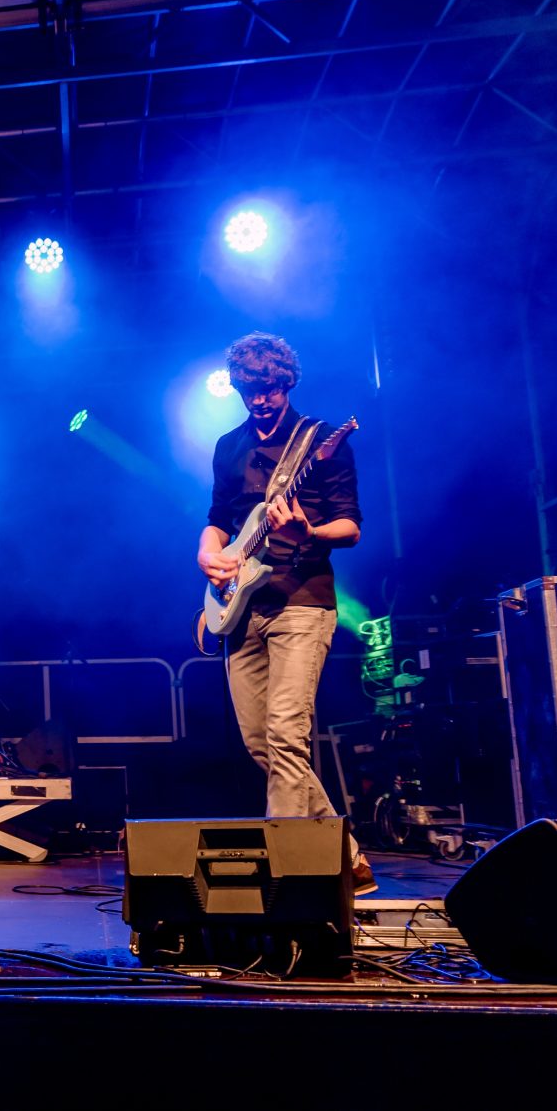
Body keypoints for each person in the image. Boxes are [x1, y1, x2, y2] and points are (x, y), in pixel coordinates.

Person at [196, 332, 376, 895]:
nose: (259, 399)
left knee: (285, 734)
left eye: (269, 388)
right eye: (248, 389)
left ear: (288, 382)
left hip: (303, 601)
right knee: (261, 743)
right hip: (243, 608)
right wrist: (208, 553)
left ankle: (293, 876)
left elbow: (351, 525)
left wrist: (308, 532)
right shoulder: (228, 446)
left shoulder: (322, 440)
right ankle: (348, 856)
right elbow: (218, 518)